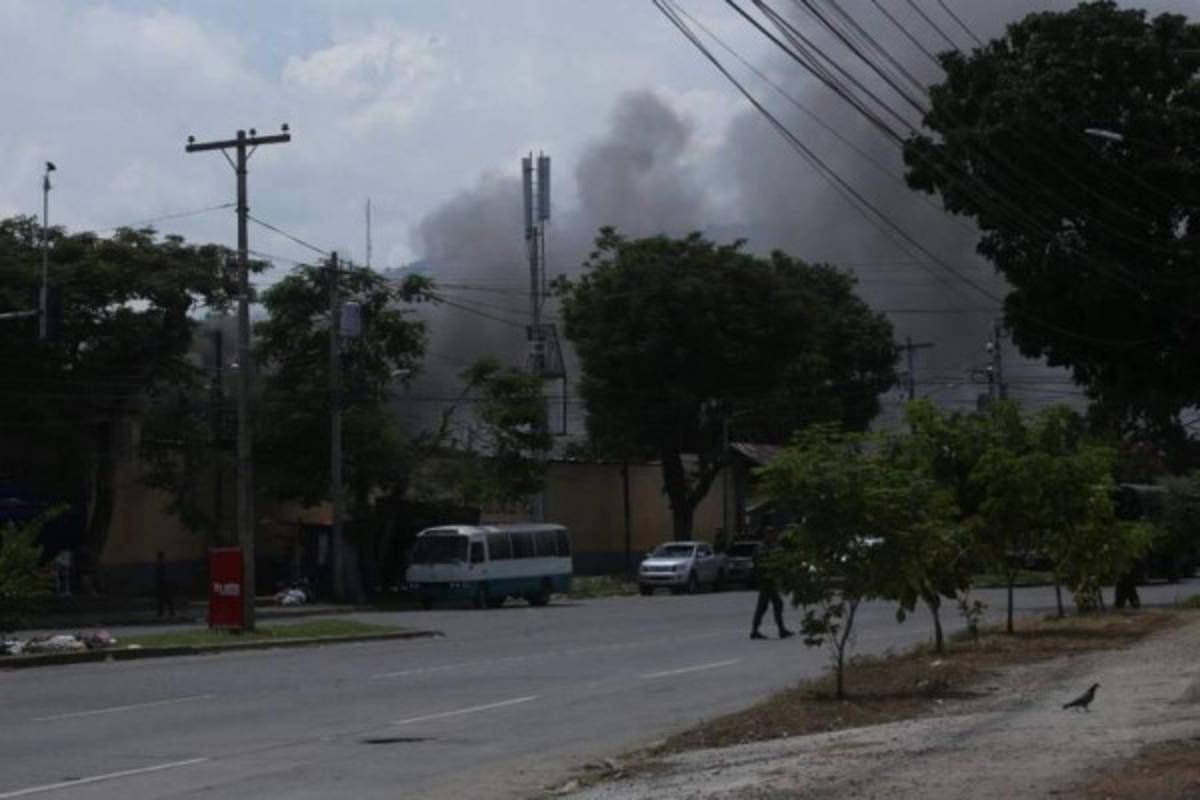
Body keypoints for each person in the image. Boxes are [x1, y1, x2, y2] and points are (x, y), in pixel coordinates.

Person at [750, 527, 793, 640]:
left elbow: (782, 561)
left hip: (772, 580)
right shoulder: (761, 548)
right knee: (775, 604)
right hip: (765, 580)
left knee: (764, 606)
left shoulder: (776, 547)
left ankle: (756, 630)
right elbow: (756, 563)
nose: (772, 536)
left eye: (773, 534)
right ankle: (780, 630)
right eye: (769, 534)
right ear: (766, 535)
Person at [155, 551, 175, 618]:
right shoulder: (162, 564)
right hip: (164, 583)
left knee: (163, 599)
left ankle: (162, 612)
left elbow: (160, 575)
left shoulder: (160, 565)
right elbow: (164, 575)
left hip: (162, 584)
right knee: (166, 599)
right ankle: (169, 612)